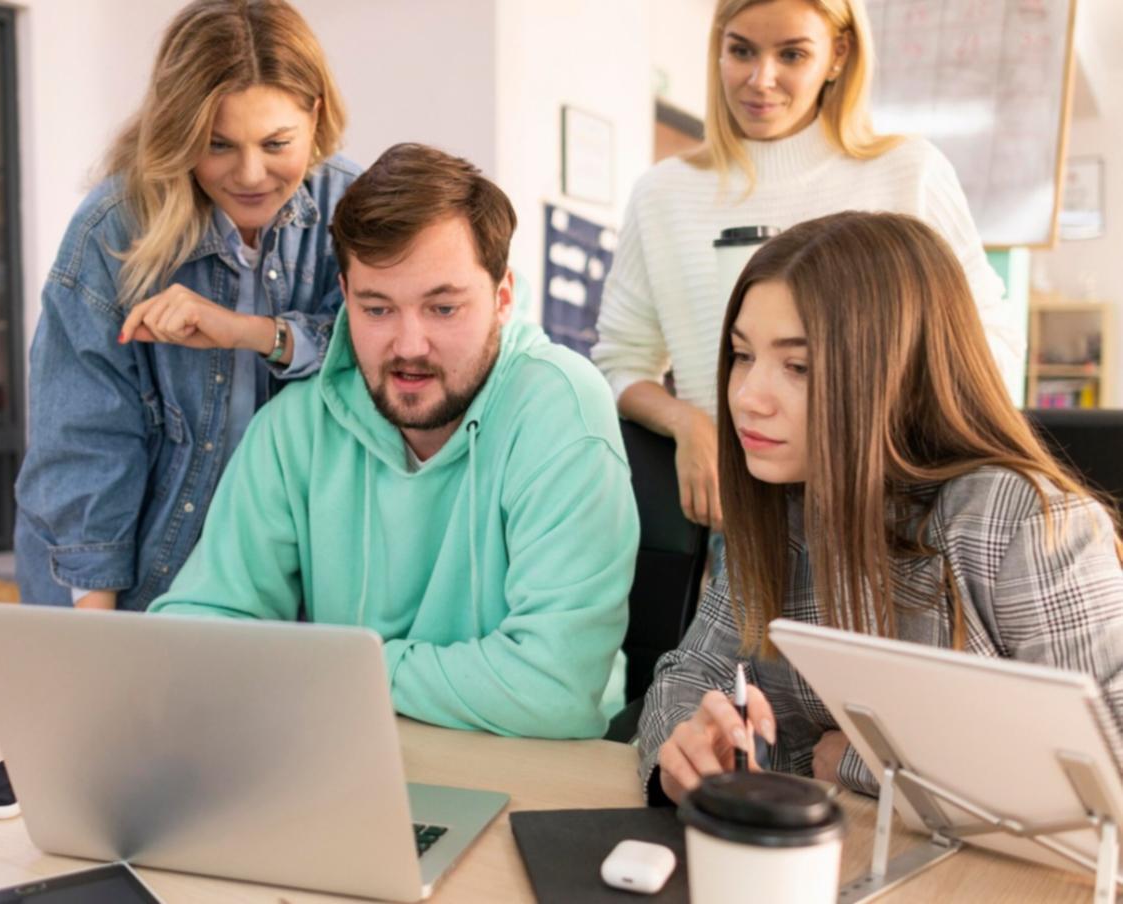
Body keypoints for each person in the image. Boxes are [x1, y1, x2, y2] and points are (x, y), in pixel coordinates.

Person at [149, 143, 638, 739]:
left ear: (502, 298)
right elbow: (195, 634)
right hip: (356, 757)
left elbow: (556, 688)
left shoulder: (561, 406)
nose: (409, 345)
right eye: (377, 309)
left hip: (536, 773)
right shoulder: (295, 428)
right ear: (346, 297)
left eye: (443, 308)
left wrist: (338, 671)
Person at [637, 210, 1123, 805]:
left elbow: (1109, 766)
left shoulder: (1019, 521)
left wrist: (853, 762)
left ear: (896, 374)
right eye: (742, 355)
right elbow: (689, 677)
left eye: (798, 366)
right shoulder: (780, 505)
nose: (746, 396)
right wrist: (688, 744)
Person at [592, 0, 1022, 529]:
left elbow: (990, 348)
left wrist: (876, 426)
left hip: (892, 510)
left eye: (792, 54)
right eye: (741, 50)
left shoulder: (908, 172)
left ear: (838, 54)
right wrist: (688, 423)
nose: (760, 79)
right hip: (744, 518)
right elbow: (621, 361)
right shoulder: (662, 194)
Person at [14, 0, 359, 611]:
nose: (251, 174)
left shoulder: (352, 211)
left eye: (276, 142)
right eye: (217, 145)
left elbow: (377, 353)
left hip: (298, 588)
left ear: (316, 113)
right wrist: (97, 630)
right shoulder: (113, 228)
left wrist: (252, 332)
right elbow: (84, 438)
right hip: (140, 579)